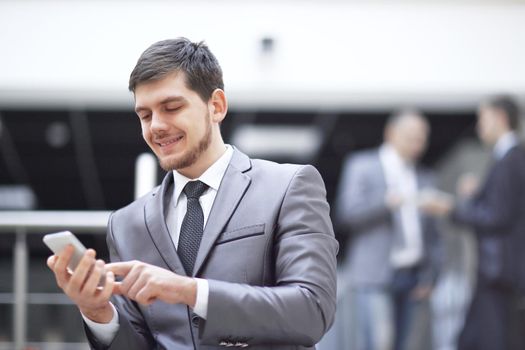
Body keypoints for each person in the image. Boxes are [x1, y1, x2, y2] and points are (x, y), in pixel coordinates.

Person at [46, 38, 338, 349]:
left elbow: (312, 310)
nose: (156, 126)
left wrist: (191, 292)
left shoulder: (288, 186)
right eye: (145, 116)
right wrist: (98, 312)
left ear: (216, 106)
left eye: (171, 107)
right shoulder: (126, 223)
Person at [334, 110, 443, 350]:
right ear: (391, 133)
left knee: (405, 343)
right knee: (377, 343)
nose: (418, 144)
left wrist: (431, 274)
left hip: (413, 276)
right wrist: (385, 203)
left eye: (422, 138)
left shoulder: (425, 177)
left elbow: (434, 235)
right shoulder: (362, 165)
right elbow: (347, 212)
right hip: (374, 274)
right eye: (412, 137)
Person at [427, 95, 525, 350]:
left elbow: (497, 216)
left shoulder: (512, 159)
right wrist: (476, 195)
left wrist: (451, 209)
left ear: (499, 118)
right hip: (494, 272)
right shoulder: (506, 159)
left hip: (498, 273)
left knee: (490, 341)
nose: (480, 126)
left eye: (483, 119)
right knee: (472, 340)